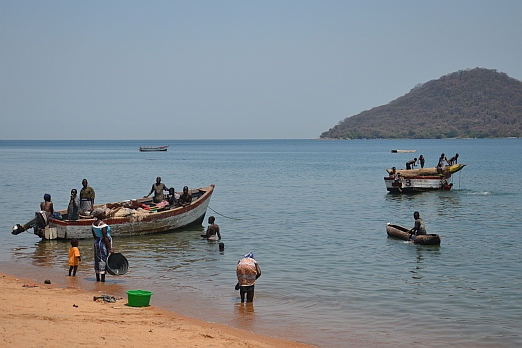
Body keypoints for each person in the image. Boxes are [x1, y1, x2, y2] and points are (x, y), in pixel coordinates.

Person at [91, 208, 113, 283]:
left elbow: (94, 235)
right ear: (99, 215)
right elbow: (105, 237)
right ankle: (103, 280)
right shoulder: (103, 225)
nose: (105, 215)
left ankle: (97, 278)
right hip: (103, 243)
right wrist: (110, 248)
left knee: (97, 259)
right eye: (103, 213)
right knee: (103, 259)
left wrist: (97, 241)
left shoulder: (94, 224)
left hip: (97, 242)